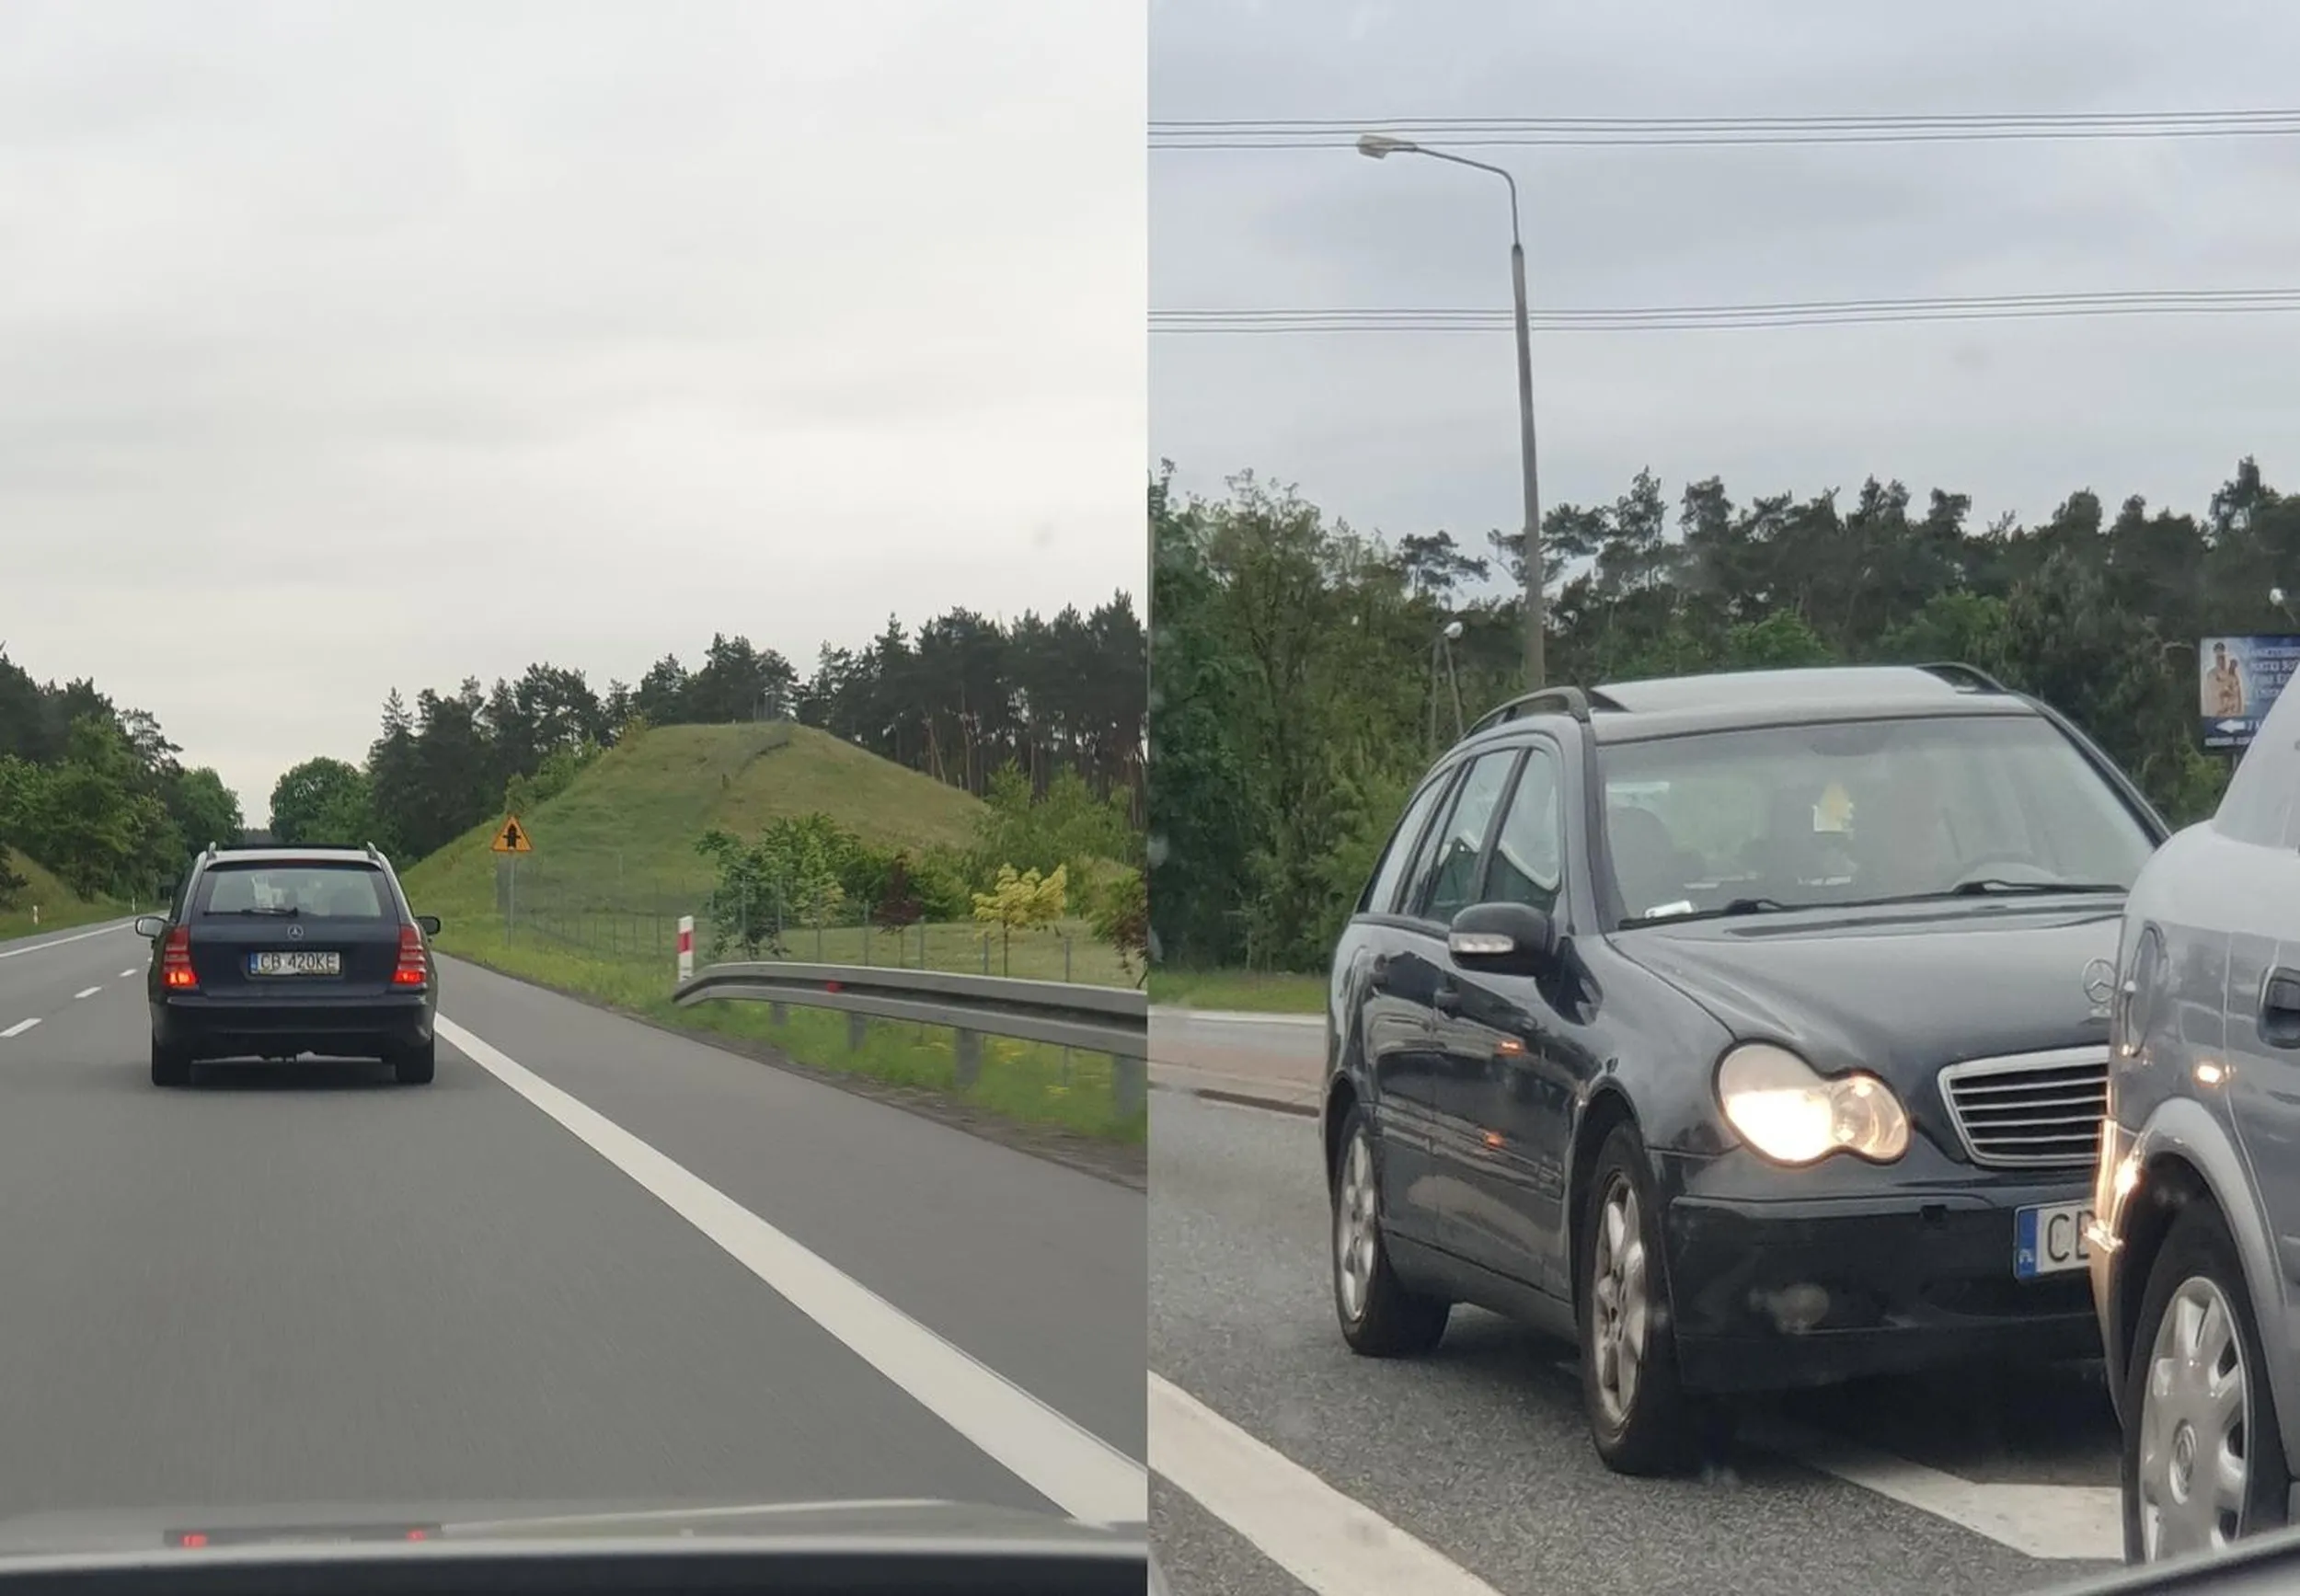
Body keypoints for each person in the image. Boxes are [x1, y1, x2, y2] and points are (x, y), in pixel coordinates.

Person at [2205, 640, 2248, 718]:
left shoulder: (2234, 674)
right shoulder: (2211, 675)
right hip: (2218, 715)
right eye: (2218, 658)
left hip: (2233, 715)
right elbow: (2218, 693)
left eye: (2222, 657)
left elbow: (2238, 695)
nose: (2221, 661)